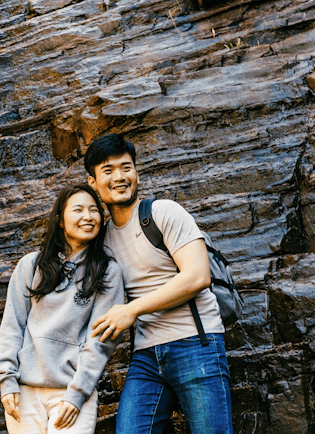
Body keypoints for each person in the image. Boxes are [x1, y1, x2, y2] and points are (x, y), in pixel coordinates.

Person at [84, 134, 233, 434]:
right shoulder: (102, 239)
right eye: (108, 170)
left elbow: (197, 276)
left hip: (196, 344)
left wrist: (132, 310)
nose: (120, 177)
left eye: (126, 167)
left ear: (136, 172)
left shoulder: (163, 212)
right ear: (93, 182)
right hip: (146, 358)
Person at [0, 183, 125, 434]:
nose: (88, 217)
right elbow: (12, 326)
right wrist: (7, 382)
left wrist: (77, 395)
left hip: (71, 393)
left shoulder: (107, 272)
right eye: (78, 210)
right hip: (24, 392)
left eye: (94, 210)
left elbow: (100, 340)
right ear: (60, 220)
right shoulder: (31, 265)